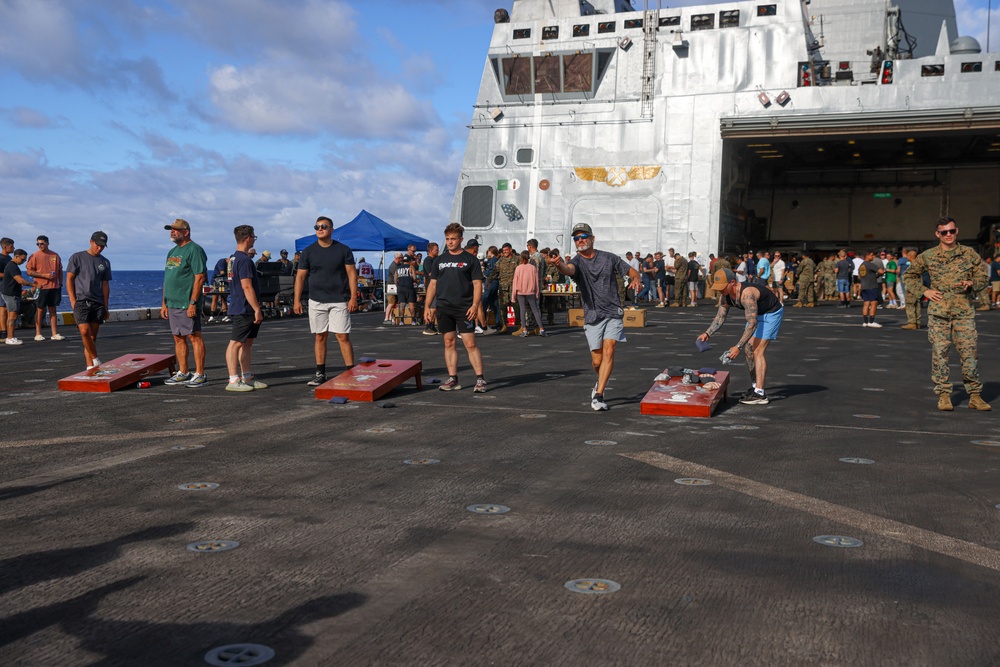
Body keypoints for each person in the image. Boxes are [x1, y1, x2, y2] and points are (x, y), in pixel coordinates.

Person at [548, 223, 640, 411]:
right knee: (597, 361)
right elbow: (569, 270)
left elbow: (629, 270)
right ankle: (600, 382)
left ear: (592, 238)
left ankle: (599, 395)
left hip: (613, 311)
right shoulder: (577, 262)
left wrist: (636, 278)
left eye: (583, 236)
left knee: (609, 350)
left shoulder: (608, 257)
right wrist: (559, 265)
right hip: (592, 314)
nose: (580, 240)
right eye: (576, 238)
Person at [903, 217, 991, 411]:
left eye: (951, 231)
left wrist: (972, 284)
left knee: (969, 355)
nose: (949, 235)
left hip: (964, 313)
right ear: (938, 234)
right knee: (940, 354)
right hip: (939, 313)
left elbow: (983, 276)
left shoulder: (969, 254)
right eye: (944, 232)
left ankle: (975, 396)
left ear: (957, 231)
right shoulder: (929, 255)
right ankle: (943, 395)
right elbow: (909, 275)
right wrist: (924, 291)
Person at [697, 267, 783, 405]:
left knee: (758, 351)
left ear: (732, 282)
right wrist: (707, 332)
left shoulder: (747, 294)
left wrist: (738, 346)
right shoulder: (725, 295)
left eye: (722, 286)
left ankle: (760, 395)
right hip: (756, 315)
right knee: (749, 349)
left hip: (770, 313)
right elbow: (720, 317)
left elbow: (752, 324)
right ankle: (755, 387)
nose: (720, 290)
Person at [294, 216, 358, 386]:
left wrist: (353, 297)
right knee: (320, 337)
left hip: (339, 300)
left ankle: (350, 372)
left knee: (342, 336)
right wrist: (296, 300)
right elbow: (300, 277)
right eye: (317, 226)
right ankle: (320, 374)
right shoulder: (308, 252)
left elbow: (352, 274)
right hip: (316, 301)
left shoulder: (343, 250)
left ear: (331, 230)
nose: (319, 229)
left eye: (323, 226)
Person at [424, 222, 487, 393]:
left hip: (464, 308)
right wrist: (428, 306)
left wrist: (475, 304)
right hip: (444, 308)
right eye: (447, 239)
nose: (450, 242)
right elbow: (433, 284)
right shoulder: (439, 260)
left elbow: (477, 283)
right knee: (448, 342)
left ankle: (480, 379)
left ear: (461, 239)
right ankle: (453, 379)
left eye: (453, 239)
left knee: (470, 344)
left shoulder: (470, 260)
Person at [160, 219, 209, 386]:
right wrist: (164, 303)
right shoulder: (172, 252)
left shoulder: (195, 250)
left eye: (176, 230)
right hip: (172, 303)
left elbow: (199, 277)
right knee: (178, 338)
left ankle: (200, 374)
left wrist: (193, 303)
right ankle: (183, 372)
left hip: (187, 303)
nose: (172, 232)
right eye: (171, 229)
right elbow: (168, 279)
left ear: (186, 232)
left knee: (194, 337)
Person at [225, 225, 266, 392]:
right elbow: (247, 286)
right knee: (235, 343)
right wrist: (257, 308)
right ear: (249, 238)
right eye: (254, 237)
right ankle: (233, 380)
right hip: (244, 307)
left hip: (238, 305)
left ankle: (247, 376)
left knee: (247, 342)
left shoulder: (233, 259)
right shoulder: (245, 260)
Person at [66, 232, 112, 369]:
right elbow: (69, 279)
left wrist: (106, 307)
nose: (100, 248)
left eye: (103, 246)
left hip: (98, 303)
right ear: (91, 242)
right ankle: (95, 359)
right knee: (84, 332)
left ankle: (90, 367)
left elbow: (105, 285)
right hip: (81, 301)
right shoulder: (77, 257)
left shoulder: (105, 262)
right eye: (98, 245)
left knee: (92, 338)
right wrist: (72, 300)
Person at [25, 235, 65, 341]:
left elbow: (60, 270)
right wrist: (44, 275)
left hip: (54, 287)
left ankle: (54, 333)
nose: (40, 245)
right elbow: (29, 271)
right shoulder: (34, 255)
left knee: (53, 309)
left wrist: (60, 284)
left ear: (48, 243)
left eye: (42, 243)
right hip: (41, 287)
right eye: (38, 244)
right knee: (40, 309)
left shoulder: (55, 255)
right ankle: (38, 333)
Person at [512, 250, 548, 337]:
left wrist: (513, 296)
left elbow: (515, 283)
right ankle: (541, 329)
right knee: (535, 310)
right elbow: (536, 281)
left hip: (520, 292)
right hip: (531, 292)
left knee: (522, 311)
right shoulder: (533, 268)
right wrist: (536, 293)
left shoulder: (518, 268)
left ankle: (524, 329)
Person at [2, 249, 34, 345]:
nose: (23, 262)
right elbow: (20, 280)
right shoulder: (12, 267)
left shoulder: (12, 266)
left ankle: (10, 336)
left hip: (10, 293)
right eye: (22, 259)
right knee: (13, 316)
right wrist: (33, 284)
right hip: (11, 294)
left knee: (11, 315)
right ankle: (10, 337)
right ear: (16, 256)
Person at [857, 250, 885, 328]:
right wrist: (877, 275)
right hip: (872, 286)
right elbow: (881, 271)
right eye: (871, 255)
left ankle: (865, 322)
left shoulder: (861, 265)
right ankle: (871, 321)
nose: (873, 257)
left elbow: (859, 276)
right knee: (874, 303)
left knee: (866, 303)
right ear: (867, 256)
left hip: (864, 286)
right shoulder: (870, 265)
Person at [422, 244, 441, 335]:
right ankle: (428, 325)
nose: (438, 251)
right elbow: (430, 274)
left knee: (436, 307)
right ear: (430, 250)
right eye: (436, 250)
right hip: (432, 286)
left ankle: (432, 325)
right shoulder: (428, 261)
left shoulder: (436, 260)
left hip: (438, 286)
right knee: (432, 307)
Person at [209, 255, 231, 323]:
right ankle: (212, 316)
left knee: (224, 298)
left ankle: (225, 315)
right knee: (214, 298)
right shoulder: (222, 262)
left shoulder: (230, 265)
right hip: (216, 282)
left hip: (224, 282)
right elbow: (222, 272)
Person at [0, 237, 14, 339]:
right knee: (3, 309)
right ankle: (3, 332)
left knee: (6, 308)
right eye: (11, 246)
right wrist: (7, 275)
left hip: (8, 286)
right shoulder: (1, 258)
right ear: (5, 247)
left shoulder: (9, 259)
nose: (13, 248)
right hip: (1, 286)